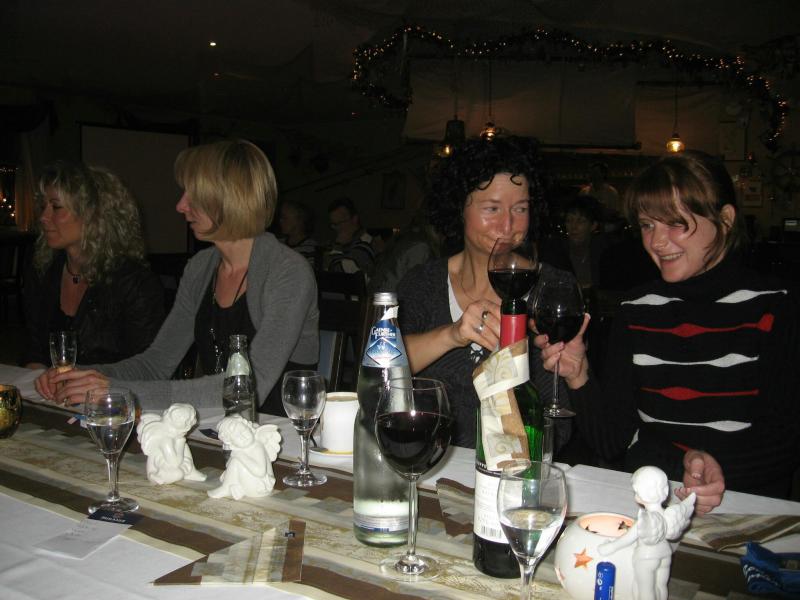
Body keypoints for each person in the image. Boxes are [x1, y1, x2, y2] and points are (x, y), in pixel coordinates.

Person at [536, 151, 800, 513]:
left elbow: (786, 440)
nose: (657, 242)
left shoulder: (776, 306)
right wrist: (579, 376)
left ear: (725, 219)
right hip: (653, 506)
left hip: (745, 510)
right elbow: (611, 442)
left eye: (676, 223)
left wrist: (712, 470)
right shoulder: (637, 309)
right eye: (647, 225)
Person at [35, 139, 319, 417]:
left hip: (279, 434)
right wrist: (79, 376)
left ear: (231, 198)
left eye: (193, 195)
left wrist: (120, 390)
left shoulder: (288, 272)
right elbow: (156, 363)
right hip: (215, 427)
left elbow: (249, 387)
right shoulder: (201, 268)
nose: (181, 206)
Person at [397, 135, 571, 449]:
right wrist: (452, 334)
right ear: (458, 209)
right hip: (428, 455)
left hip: (519, 462)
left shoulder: (552, 288)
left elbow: (559, 424)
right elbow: (383, 370)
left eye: (520, 208)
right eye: (492, 208)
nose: (508, 225)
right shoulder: (423, 283)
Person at [22, 160, 165, 368]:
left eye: (56, 207)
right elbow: (33, 348)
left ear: (93, 214)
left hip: (112, 388)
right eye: (43, 206)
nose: (43, 217)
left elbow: (147, 368)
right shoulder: (44, 269)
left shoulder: (134, 283)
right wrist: (37, 374)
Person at [326, 197, 375, 275]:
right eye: (334, 225)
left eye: (340, 223)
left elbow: (338, 274)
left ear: (354, 219)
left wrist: (337, 246)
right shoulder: (346, 244)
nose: (337, 229)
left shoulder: (367, 243)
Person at [278, 199, 319, 269]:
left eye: (285, 217)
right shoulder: (277, 244)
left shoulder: (312, 248)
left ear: (300, 219)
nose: (281, 220)